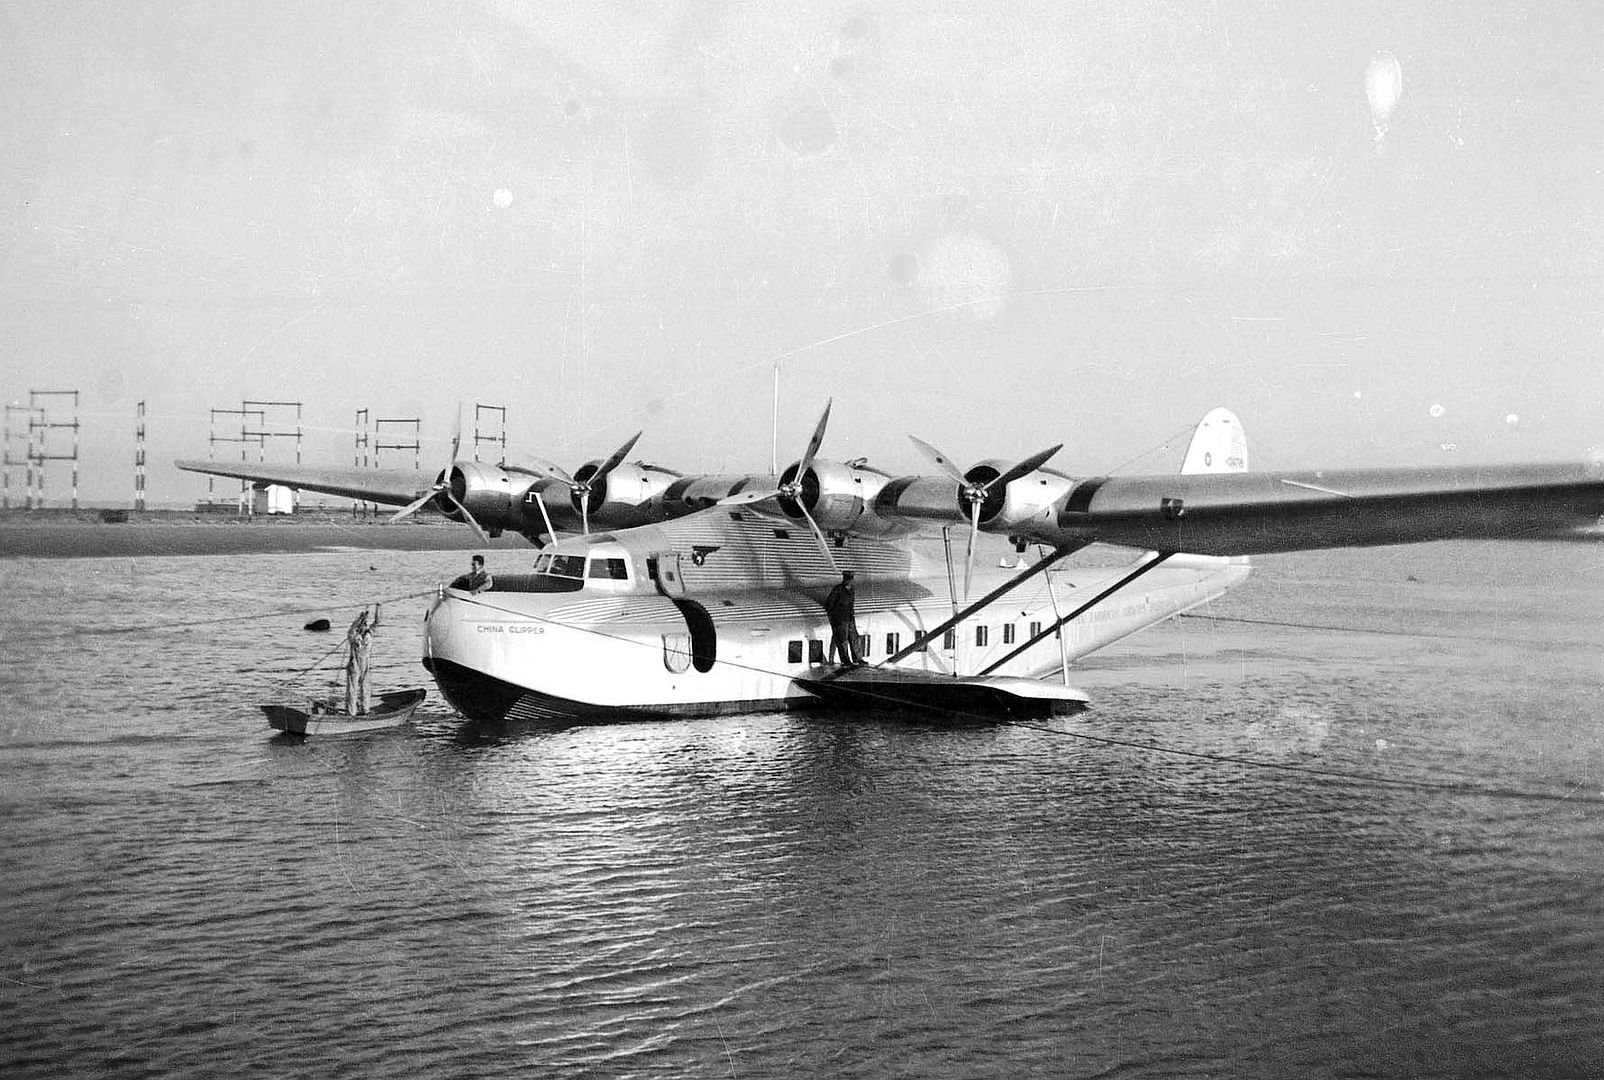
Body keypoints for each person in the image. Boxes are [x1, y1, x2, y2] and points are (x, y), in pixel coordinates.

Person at [343, 604, 380, 715]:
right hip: (355, 666)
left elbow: (377, 621)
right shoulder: (353, 636)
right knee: (352, 690)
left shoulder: (370, 634)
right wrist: (360, 618)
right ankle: (351, 713)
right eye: (362, 625)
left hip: (366, 666)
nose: (364, 626)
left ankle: (365, 710)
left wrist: (378, 607)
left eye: (365, 625)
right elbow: (352, 629)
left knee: (366, 689)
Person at [823, 571, 862, 666]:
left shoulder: (851, 589)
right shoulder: (838, 590)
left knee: (854, 638)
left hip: (849, 618)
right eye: (848, 579)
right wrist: (836, 615)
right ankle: (846, 660)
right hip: (841, 619)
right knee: (842, 640)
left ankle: (858, 658)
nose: (850, 581)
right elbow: (829, 604)